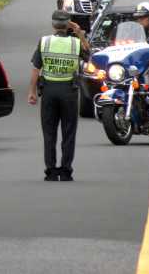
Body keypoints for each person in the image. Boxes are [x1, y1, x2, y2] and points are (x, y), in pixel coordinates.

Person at [27, 10, 89, 182]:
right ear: (68, 24)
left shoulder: (44, 42)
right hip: (69, 91)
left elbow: (35, 69)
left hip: (49, 91)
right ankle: (66, 171)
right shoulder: (75, 44)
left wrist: (32, 92)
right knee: (68, 133)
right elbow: (88, 54)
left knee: (49, 133)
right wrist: (79, 33)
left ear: (53, 24)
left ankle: (51, 171)